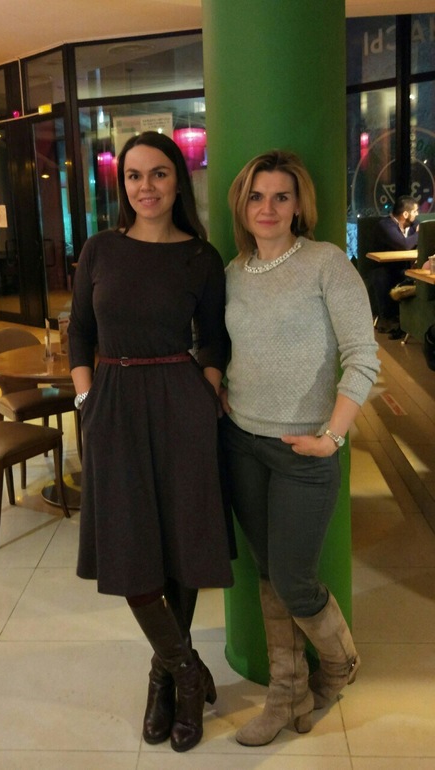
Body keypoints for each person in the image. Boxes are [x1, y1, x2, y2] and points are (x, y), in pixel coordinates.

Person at [68, 130, 233, 753]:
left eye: (158, 173)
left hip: (180, 402)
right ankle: (184, 670)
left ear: (177, 181)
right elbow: (80, 331)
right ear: (123, 185)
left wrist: (205, 390)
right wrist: (87, 397)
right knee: (130, 544)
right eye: (134, 175)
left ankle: (164, 682)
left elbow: (213, 339)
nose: (146, 186)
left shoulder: (201, 257)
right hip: (113, 402)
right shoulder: (100, 249)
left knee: (182, 541)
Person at [220, 150, 380, 747]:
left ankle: (338, 666)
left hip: (305, 453)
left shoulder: (326, 263)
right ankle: (286, 693)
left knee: (294, 580)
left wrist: (332, 437)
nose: (267, 207)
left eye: (280, 196)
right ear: (243, 205)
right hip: (242, 444)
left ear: (298, 205)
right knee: (268, 573)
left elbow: (363, 356)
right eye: (256, 196)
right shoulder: (233, 272)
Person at [372, 195, 419, 338]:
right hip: (385, 268)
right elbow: (404, 245)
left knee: (414, 276)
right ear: (405, 214)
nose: (417, 214)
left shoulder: (412, 225)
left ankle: (408, 321)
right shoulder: (385, 226)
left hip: (405, 268)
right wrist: (420, 233)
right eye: (415, 211)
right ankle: (387, 320)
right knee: (381, 276)